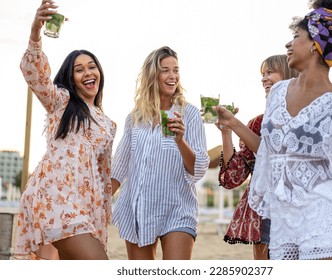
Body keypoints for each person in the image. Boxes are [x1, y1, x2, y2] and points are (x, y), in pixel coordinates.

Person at [244, 0, 332, 260]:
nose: (288, 44)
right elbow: (268, 148)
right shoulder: (276, 93)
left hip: (325, 218)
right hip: (283, 221)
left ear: (315, 45)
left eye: (296, 37)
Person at [14, 0, 117, 260]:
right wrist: (36, 32)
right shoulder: (62, 102)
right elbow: (34, 75)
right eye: (79, 70)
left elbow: (103, 176)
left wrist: (100, 219)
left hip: (84, 207)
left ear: (100, 72)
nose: (87, 72)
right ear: (71, 80)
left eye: (92, 66)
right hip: (53, 197)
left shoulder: (108, 124)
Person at [111, 46, 209, 260]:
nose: (172, 76)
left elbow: (198, 169)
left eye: (176, 70)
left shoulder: (189, 114)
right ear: (152, 75)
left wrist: (180, 140)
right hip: (138, 209)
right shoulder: (135, 118)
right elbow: (119, 168)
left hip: (177, 209)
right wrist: (96, 205)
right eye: (165, 70)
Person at [217, 54, 298, 260]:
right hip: (266, 214)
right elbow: (232, 178)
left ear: (289, 75)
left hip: (302, 211)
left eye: (270, 72)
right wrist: (226, 131)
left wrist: (235, 124)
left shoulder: (305, 118)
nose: (264, 79)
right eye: (263, 74)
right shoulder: (256, 124)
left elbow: (273, 153)